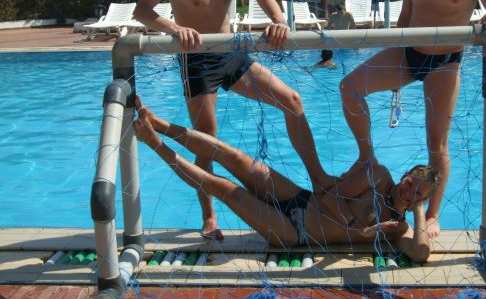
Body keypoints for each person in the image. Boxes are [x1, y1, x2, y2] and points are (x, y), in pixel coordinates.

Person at [133, 0, 335, 239]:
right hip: (196, 60)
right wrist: (174, 28)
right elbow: (142, 10)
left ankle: (319, 180)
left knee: (292, 100)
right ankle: (209, 214)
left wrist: (279, 21)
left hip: (231, 54)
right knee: (206, 140)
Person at [339, 0, 486, 238]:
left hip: (445, 63)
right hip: (408, 54)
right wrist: (393, 53)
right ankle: (366, 157)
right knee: (349, 87)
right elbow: (406, 15)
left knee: (437, 143)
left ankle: (433, 214)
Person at [133, 97, 440, 263]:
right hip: (300, 198)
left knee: (223, 188)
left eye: (418, 194)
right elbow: (328, 196)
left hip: (294, 232)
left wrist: (416, 213)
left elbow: (421, 253)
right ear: (404, 176)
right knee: (233, 156)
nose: (410, 192)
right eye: (410, 183)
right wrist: (359, 230)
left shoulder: (398, 228)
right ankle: (160, 125)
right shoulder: (379, 175)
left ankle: (153, 143)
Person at [310, 4, 356, 70]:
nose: (339, 14)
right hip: (336, 36)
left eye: (341, 13)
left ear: (345, 11)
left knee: (346, 56)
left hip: (345, 36)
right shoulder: (333, 16)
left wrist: (354, 39)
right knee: (334, 56)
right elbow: (328, 28)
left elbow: (354, 27)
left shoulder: (349, 15)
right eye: (338, 12)